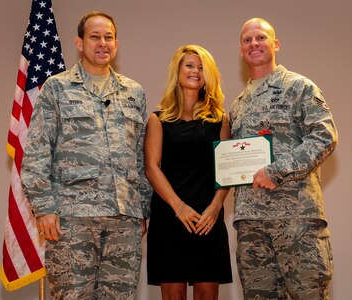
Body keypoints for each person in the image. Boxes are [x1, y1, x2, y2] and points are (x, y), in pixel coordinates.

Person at [21, 11, 151, 299]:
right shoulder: (57, 87)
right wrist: (44, 208)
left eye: (108, 37)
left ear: (116, 44)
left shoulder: (134, 92)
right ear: (80, 43)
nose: (102, 43)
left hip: (124, 218)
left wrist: (142, 209)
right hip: (72, 218)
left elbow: (139, 158)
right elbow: (37, 152)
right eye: (94, 37)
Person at [230, 18, 338, 300]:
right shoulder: (238, 103)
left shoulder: (299, 87)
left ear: (275, 44)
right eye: (247, 40)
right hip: (251, 224)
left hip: (296, 220)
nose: (254, 44)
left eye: (261, 38)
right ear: (241, 50)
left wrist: (276, 171)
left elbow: (324, 136)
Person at [145, 44, 233, 299]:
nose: (195, 71)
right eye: (190, 65)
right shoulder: (158, 119)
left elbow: (226, 169)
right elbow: (151, 168)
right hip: (170, 216)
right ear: (178, 71)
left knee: (207, 293)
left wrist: (216, 208)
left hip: (208, 217)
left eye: (202, 67)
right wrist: (179, 207)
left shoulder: (220, 120)